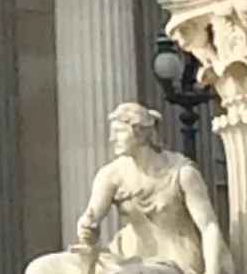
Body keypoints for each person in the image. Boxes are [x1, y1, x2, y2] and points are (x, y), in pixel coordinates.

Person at [24, 103, 230, 274]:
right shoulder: (111, 174)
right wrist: (86, 228)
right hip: (124, 257)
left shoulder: (181, 173)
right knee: (40, 269)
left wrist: (212, 271)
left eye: (119, 132)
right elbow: (91, 218)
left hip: (174, 261)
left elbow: (209, 226)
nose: (112, 139)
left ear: (140, 133)